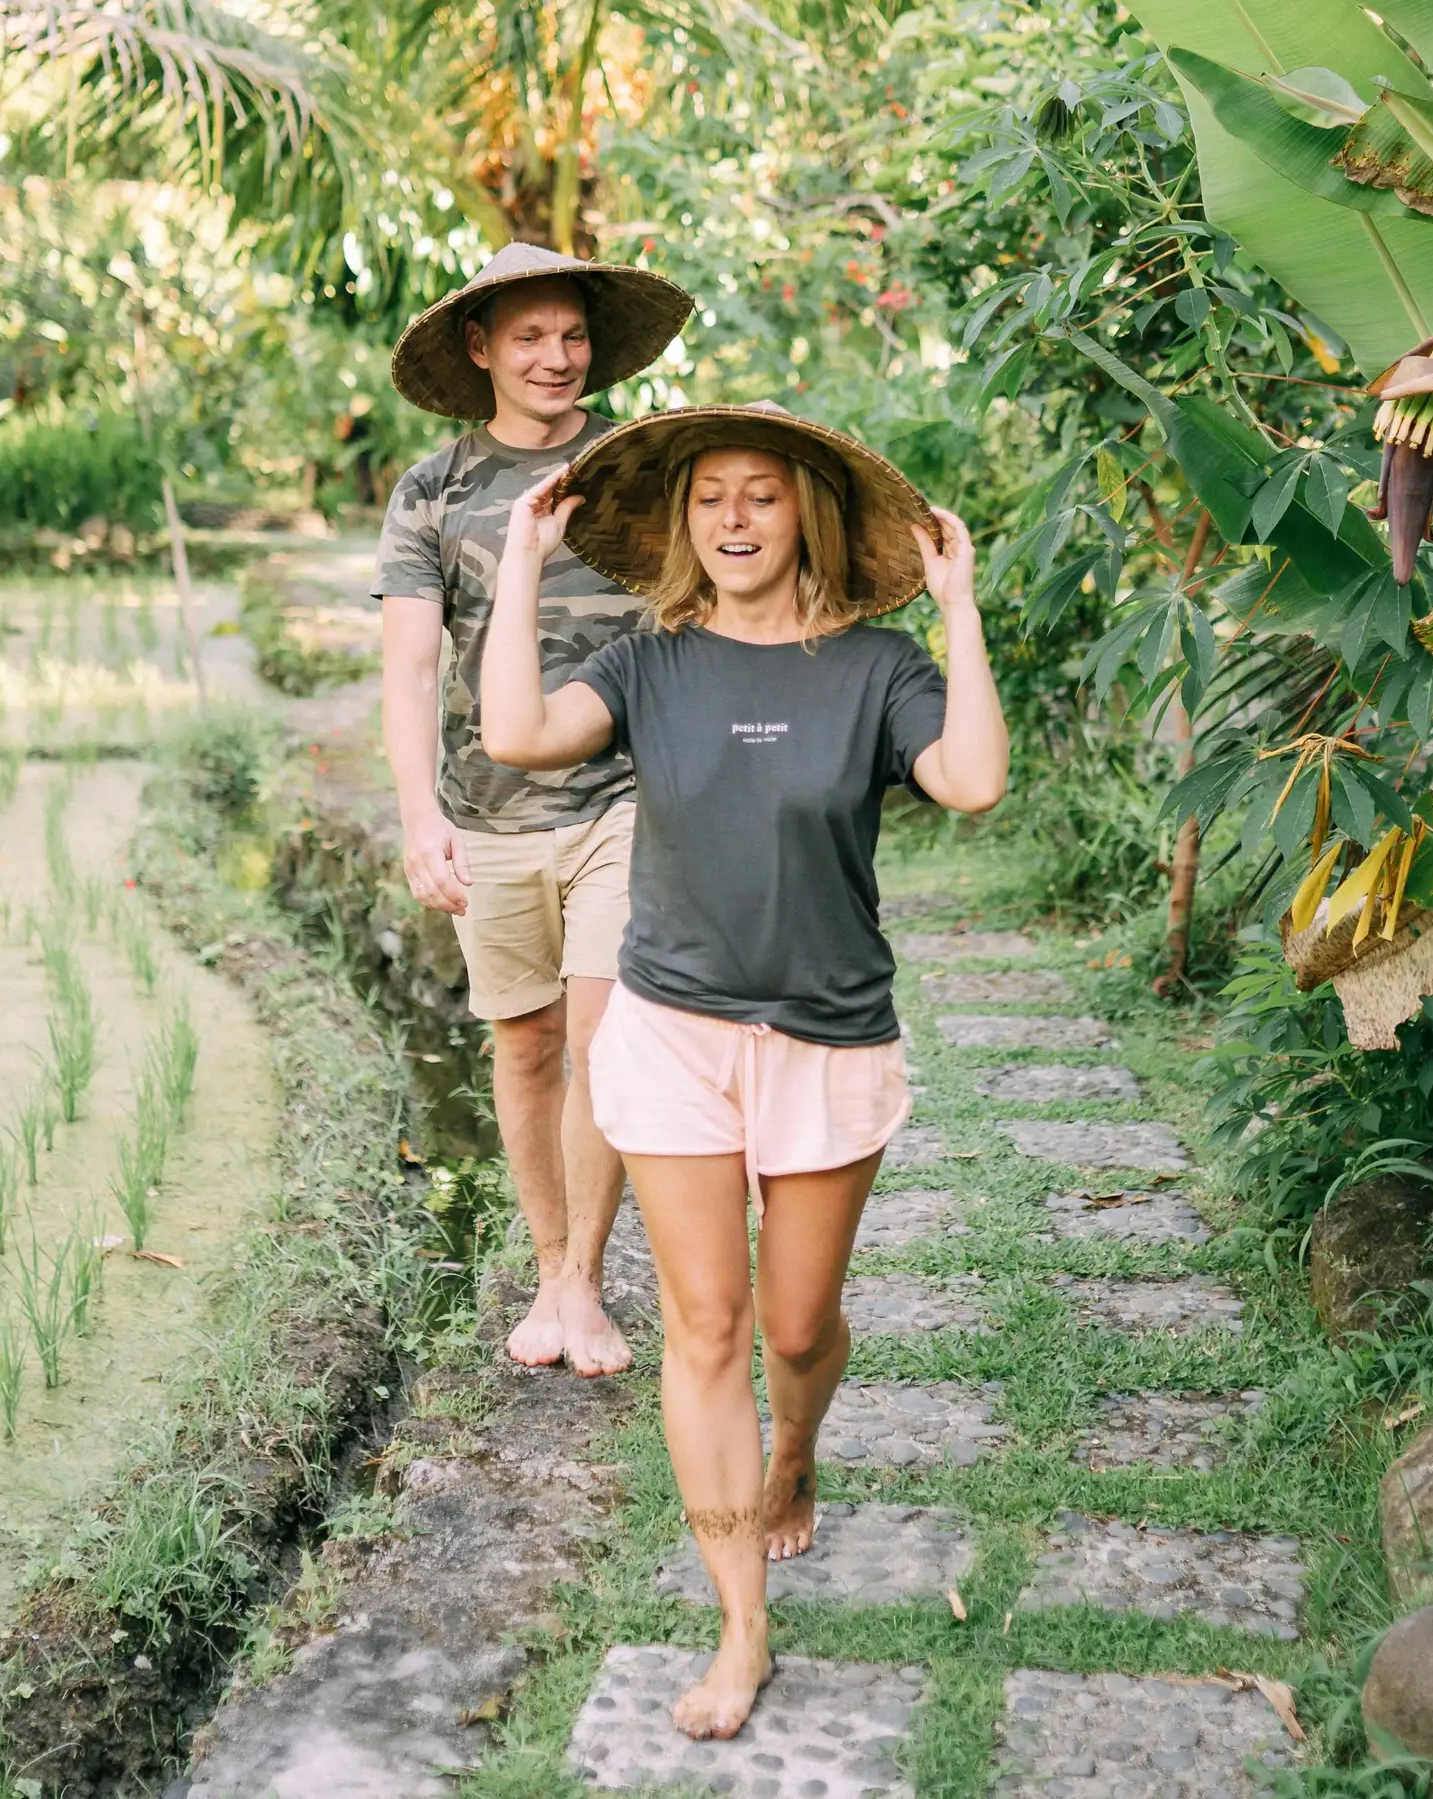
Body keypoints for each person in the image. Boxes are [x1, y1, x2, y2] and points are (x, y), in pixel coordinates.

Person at [481, 401, 1008, 1740]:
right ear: (681, 522)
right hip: (672, 1031)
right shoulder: (650, 662)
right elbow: (515, 737)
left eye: (761, 495)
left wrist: (961, 609)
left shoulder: (878, 667)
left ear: (806, 517)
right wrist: (527, 567)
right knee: (706, 1326)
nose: (732, 519)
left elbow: (975, 780)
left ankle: (797, 1449)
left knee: (793, 1328)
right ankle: (740, 1625)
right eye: (710, 496)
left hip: (829, 1037)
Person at [373, 240, 694, 1376]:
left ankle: (578, 1283)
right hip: (491, 810)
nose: (557, 357)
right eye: (529, 338)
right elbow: (412, 668)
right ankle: (552, 1262)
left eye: (571, 336)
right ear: (481, 349)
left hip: (625, 798)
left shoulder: (641, 466)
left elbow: (699, 610)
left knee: (605, 1047)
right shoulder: (434, 489)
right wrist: (420, 815)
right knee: (525, 1045)